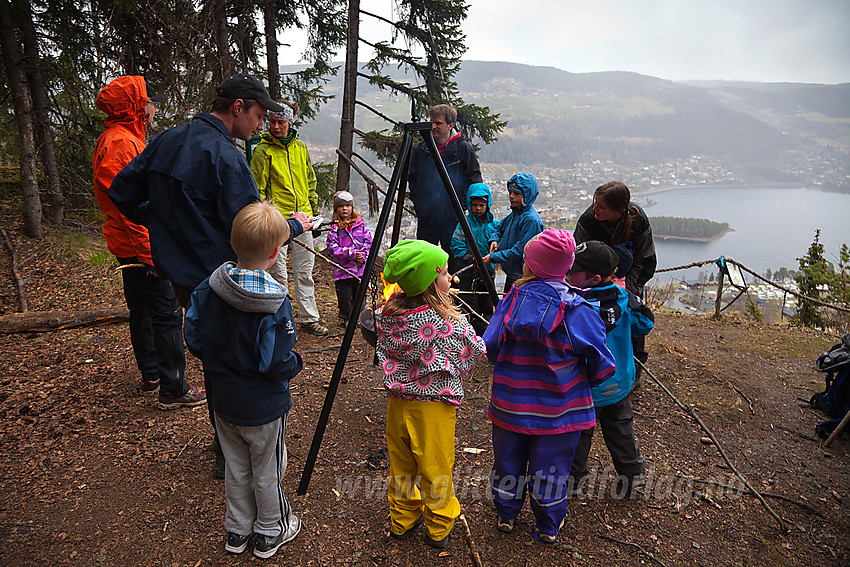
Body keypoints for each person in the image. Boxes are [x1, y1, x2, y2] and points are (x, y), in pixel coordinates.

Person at [110, 72, 310, 478]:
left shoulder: (168, 139)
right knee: (241, 352)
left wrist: (167, 226)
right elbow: (256, 230)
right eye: (257, 115)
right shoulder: (226, 157)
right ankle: (235, 451)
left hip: (181, 274)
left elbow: (122, 193)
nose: (259, 124)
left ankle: (226, 445)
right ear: (238, 107)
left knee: (213, 351)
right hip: (224, 276)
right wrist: (295, 226)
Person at [184, 202, 303, 559]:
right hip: (263, 406)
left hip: (223, 400)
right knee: (268, 468)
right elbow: (275, 362)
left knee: (236, 467)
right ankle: (271, 529)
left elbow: (193, 336)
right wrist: (294, 362)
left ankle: (237, 531)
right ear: (274, 252)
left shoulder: (208, 288)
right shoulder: (275, 303)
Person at [483, 228, 615, 543]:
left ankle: (506, 513)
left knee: (508, 462)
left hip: (511, 403)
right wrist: (587, 380)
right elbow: (602, 362)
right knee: (552, 470)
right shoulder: (579, 310)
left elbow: (490, 345)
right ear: (567, 266)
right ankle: (547, 526)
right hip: (561, 410)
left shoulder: (512, 299)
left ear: (529, 264)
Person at [92, 75, 204, 409]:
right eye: (151, 102)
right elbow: (130, 207)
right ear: (139, 106)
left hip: (130, 246)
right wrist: (152, 254)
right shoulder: (120, 143)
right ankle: (173, 388)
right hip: (138, 246)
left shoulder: (121, 138)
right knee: (165, 314)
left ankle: (152, 374)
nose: (154, 109)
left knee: (141, 310)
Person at [376, 240, 485, 549]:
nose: (451, 278)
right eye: (446, 273)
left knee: (402, 463)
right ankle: (438, 525)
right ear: (429, 281)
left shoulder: (389, 313)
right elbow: (473, 351)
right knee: (435, 465)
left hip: (398, 403)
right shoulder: (445, 322)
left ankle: (403, 518)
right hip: (433, 407)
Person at [566, 240, 655, 495]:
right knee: (620, 430)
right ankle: (632, 476)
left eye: (574, 270)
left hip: (585, 387)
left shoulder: (575, 304)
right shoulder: (625, 299)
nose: (569, 273)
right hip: (618, 382)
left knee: (580, 434)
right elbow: (645, 324)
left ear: (593, 278)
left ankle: (575, 481)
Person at [250, 100, 327, 336]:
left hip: (303, 218)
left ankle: (309, 318)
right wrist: (264, 217)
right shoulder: (263, 151)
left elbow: (310, 180)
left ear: (289, 123)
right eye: (272, 122)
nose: (275, 127)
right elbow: (257, 188)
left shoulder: (300, 148)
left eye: (280, 122)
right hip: (277, 221)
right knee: (277, 272)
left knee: (304, 271)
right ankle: (283, 321)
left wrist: (312, 211)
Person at [573, 180, 657, 377]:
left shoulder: (638, 220)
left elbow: (645, 260)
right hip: (594, 279)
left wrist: (627, 292)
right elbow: (579, 255)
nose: (594, 208)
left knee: (629, 320)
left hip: (627, 280)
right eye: (595, 202)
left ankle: (635, 367)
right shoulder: (589, 220)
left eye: (601, 206)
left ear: (618, 209)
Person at [407, 104, 483, 255]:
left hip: (453, 219)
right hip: (427, 218)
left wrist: (459, 207)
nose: (433, 127)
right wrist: (420, 204)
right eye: (432, 122)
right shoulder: (422, 149)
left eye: (438, 123)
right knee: (425, 259)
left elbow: (474, 181)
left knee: (454, 260)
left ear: (450, 125)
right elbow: (413, 179)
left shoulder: (462, 149)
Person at [449, 182, 499, 335]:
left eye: (481, 205)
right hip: (468, 270)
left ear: (488, 204)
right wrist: (470, 259)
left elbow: (498, 242)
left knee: (487, 299)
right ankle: (466, 329)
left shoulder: (494, 225)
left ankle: (485, 329)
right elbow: (456, 245)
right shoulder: (464, 224)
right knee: (466, 299)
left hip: (488, 269)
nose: (478, 208)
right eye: (475, 205)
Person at [484, 173, 544, 292]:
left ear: (527, 195)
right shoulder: (514, 214)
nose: (511, 196)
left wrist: (493, 257)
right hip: (512, 275)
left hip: (524, 277)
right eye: (510, 192)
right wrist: (494, 240)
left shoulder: (531, 220)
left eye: (516, 194)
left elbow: (519, 251)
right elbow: (499, 227)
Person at [325, 191, 372, 324]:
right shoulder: (334, 229)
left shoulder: (361, 226)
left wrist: (363, 256)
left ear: (352, 208)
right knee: (345, 296)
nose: (344, 208)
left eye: (347, 205)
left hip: (359, 270)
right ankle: (347, 317)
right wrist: (351, 253)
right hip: (343, 270)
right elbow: (332, 248)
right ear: (336, 209)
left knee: (360, 295)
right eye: (341, 206)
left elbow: (368, 243)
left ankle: (360, 317)